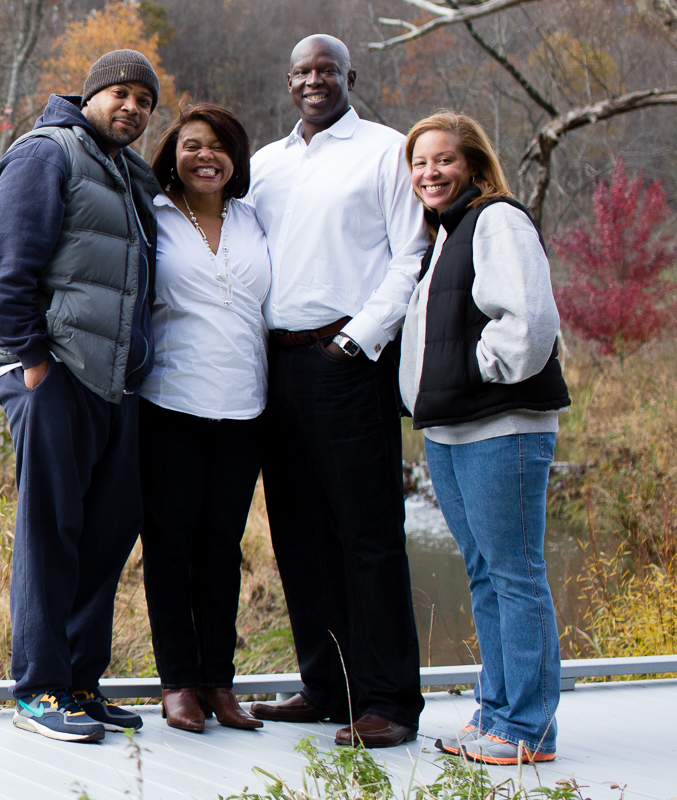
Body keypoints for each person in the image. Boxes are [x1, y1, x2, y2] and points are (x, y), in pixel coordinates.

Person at [0, 50, 162, 744]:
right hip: (51, 374)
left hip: (112, 381)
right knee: (51, 534)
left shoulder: (128, 173)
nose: (133, 108)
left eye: (145, 100)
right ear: (90, 95)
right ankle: (40, 691)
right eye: (121, 93)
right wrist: (33, 360)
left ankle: (80, 682)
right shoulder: (45, 154)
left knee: (106, 535)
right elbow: (3, 270)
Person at [246, 34, 429, 748]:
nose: (312, 80)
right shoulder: (266, 164)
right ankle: (326, 687)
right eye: (300, 71)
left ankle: (388, 700)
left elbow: (411, 250)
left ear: (349, 75)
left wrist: (360, 340)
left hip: (349, 359)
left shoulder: (386, 149)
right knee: (300, 535)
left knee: (369, 535)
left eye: (325, 69)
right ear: (288, 81)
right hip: (276, 366)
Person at [400, 111, 571, 765]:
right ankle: (497, 714)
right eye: (419, 162)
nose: (429, 172)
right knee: (484, 575)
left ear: (472, 163)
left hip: (502, 427)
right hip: (450, 431)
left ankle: (528, 728)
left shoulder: (497, 219)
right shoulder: (444, 234)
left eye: (442, 159)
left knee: (516, 574)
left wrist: (475, 374)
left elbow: (528, 319)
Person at [139, 103, 270, 734]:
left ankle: (220, 682)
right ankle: (178, 684)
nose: (205, 156)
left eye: (218, 146)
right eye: (192, 145)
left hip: (245, 407)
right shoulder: (154, 214)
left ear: (236, 157)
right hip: (170, 404)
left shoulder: (254, 220)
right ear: (173, 152)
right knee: (170, 547)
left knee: (221, 549)